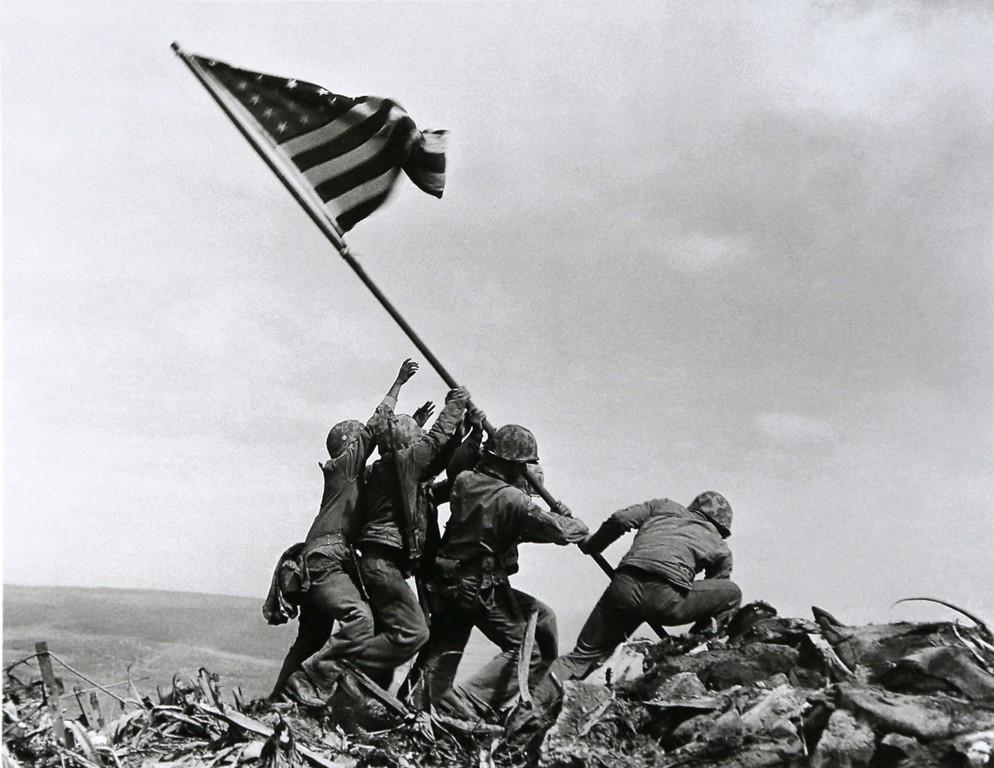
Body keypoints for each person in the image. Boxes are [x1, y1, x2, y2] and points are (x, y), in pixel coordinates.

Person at [404, 425, 588, 718]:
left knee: (445, 649)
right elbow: (562, 532)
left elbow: (508, 527)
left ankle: (416, 702)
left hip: (449, 581)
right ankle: (470, 702)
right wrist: (575, 522)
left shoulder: (465, 482)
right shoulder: (513, 500)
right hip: (479, 586)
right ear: (513, 465)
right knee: (529, 650)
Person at [269, 359, 421, 701]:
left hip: (317, 561)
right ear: (350, 446)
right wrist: (397, 384)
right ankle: (312, 683)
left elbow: (388, 453)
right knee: (361, 620)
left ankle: (278, 701)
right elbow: (375, 426)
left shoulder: (349, 477)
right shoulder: (344, 468)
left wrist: (412, 429)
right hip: (327, 560)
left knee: (311, 639)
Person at [530, 491, 741, 709]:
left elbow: (621, 519)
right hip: (666, 600)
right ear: (722, 526)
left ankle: (531, 707)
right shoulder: (720, 546)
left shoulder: (663, 506)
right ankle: (694, 651)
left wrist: (593, 545)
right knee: (732, 593)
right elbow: (715, 591)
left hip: (623, 588)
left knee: (579, 657)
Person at [347, 385, 473, 689]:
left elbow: (440, 462)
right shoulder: (403, 463)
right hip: (383, 564)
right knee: (415, 632)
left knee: (391, 635)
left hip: (380, 563)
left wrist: (467, 435)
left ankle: (363, 695)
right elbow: (436, 442)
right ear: (406, 443)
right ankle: (340, 668)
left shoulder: (388, 472)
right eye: (416, 436)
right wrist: (455, 404)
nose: (421, 440)